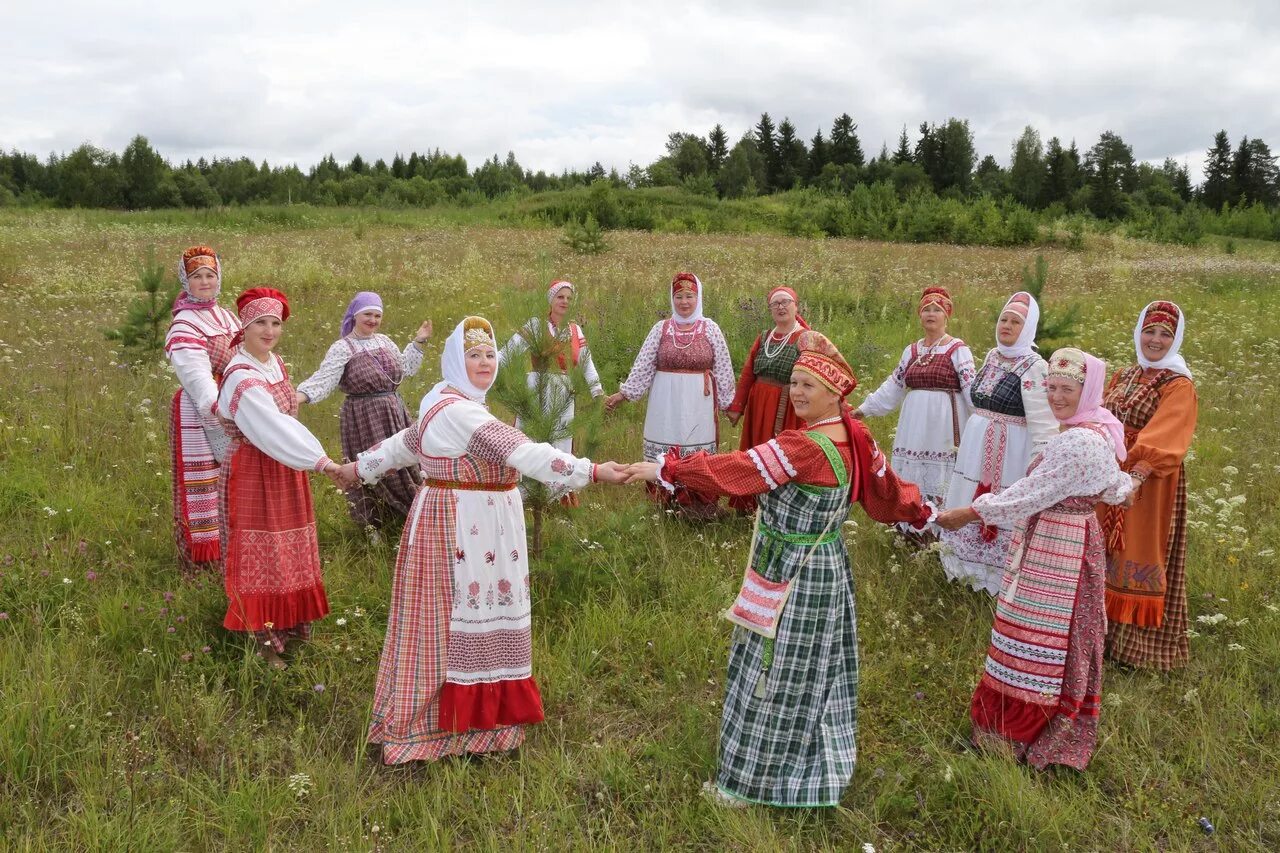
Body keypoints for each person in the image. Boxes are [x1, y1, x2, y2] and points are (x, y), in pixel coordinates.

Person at [626, 331, 933, 808]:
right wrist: (925, 514)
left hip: (790, 572)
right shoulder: (855, 437)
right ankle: (810, 760)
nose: (798, 392)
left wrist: (666, 469)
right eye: (794, 382)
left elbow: (737, 470)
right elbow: (889, 494)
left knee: (771, 670)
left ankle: (753, 783)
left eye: (810, 385)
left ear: (835, 394)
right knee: (813, 670)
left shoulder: (803, 447)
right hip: (827, 567)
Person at [336, 317, 626, 764]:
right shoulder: (462, 413)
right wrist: (592, 470)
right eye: (474, 355)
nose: (485, 362)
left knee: (445, 618)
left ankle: (454, 720)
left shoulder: (442, 400)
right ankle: (445, 727)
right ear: (456, 359)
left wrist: (359, 468)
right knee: (455, 617)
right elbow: (525, 452)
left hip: (462, 521)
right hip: (466, 527)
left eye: (490, 354)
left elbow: (402, 445)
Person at [937, 348, 1135, 771]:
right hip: (1069, 535)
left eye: (1068, 389)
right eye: (1053, 387)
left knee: (1034, 631)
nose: (1057, 396)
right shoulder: (1095, 429)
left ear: (1089, 392)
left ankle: (1017, 731)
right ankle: (1028, 720)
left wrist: (967, 513)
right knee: (1053, 632)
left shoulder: (1080, 440)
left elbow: (1027, 495)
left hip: (1057, 546)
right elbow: (1117, 488)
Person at [216, 287, 344, 669]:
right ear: (245, 326)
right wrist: (324, 463)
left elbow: (286, 424)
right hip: (256, 471)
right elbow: (274, 429)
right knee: (264, 555)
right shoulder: (241, 376)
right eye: (260, 323)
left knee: (290, 549)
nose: (269, 331)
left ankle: (289, 625)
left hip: (284, 468)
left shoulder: (274, 363)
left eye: (275, 323)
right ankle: (264, 642)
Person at [1100, 301, 1198, 670]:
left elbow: (1168, 433)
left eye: (1165, 334)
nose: (1155, 340)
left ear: (1176, 340)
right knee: (1103, 548)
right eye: (1149, 331)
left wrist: (1136, 476)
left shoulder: (1178, 384)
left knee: (1135, 551)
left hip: (1148, 479)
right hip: (1109, 471)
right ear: (1138, 332)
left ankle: (1135, 653)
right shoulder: (1124, 374)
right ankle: (1098, 637)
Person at [939, 292, 1056, 594]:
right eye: (1003, 319)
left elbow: (1043, 422)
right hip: (976, 451)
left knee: (999, 507)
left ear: (1028, 328)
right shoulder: (993, 356)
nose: (1006, 325)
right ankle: (962, 570)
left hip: (1011, 455)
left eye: (1015, 322)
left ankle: (993, 580)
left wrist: (1038, 467)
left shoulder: (1034, 366)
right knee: (967, 495)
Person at [296, 291, 431, 532]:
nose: (373, 320)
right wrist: (298, 397)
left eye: (377, 315)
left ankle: (411, 518)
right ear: (355, 315)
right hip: (363, 417)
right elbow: (324, 379)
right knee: (371, 465)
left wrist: (418, 341)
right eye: (368, 314)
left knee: (402, 461)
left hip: (393, 411)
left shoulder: (385, 341)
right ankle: (374, 526)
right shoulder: (342, 347)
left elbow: (405, 370)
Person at [604, 273, 735, 517]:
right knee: (664, 449)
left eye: (689, 296)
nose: (684, 302)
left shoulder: (711, 329)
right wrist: (623, 394)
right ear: (671, 298)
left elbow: (723, 368)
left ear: (698, 298)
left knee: (695, 451)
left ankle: (699, 507)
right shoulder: (661, 329)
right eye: (679, 297)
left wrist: (729, 405)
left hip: (698, 404)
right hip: (664, 404)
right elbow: (644, 365)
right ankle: (666, 504)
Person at [855, 286, 975, 533]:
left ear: (946, 316)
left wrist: (985, 422)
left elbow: (971, 388)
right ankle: (911, 527)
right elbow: (894, 385)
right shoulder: (911, 351)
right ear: (920, 316)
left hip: (943, 424)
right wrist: (864, 409)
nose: (931, 314)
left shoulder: (957, 349)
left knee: (941, 474)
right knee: (912, 473)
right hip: (914, 424)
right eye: (926, 310)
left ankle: (941, 529)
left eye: (937, 310)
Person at [165, 245, 241, 576]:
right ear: (186, 281)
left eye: (211, 275)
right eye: (197, 276)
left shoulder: (226, 316)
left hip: (233, 403)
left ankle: (233, 548)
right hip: (202, 410)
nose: (205, 281)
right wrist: (217, 408)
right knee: (204, 484)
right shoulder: (184, 324)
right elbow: (196, 375)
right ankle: (203, 560)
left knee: (235, 477)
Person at [498, 279, 604, 507]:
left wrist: (597, 390)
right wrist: (487, 368)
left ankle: (556, 495)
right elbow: (508, 352)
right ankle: (525, 492)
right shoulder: (536, 325)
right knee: (532, 438)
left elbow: (586, 362)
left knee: (561, 439)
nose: (565, 301)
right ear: (551, 300)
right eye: (560, 297)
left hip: (565, 393)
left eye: (569, 298)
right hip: (538, 388)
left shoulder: (575, 330)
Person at [724, 285, 810, 512]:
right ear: (770, 309)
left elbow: (818, 375)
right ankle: (750, 506)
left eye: (786, 302)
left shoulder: (806, 339)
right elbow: (747, 374)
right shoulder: (763, 338)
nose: (781, 307)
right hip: (758, 407)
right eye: (776, 304)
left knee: (783, 457)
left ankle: (782, 507)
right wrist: (737, 407)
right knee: (755, 455)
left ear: (796, 306)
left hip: (789, 408)